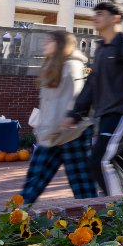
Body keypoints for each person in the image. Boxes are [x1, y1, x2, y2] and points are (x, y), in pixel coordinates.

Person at [66, 1, 123, 197]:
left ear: (115, 18)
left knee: (99, 160)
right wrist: (76, 113)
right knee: (116, 161)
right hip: (105, 114)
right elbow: (92, 83)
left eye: (100, 13)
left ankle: (116, 206)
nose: (95, 17)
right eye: (95, 13)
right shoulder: (102, 49)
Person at [19, 30, 99, 204]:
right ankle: (14, 215)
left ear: (61, 45)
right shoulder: (52, 66)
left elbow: (74, 100)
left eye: (50, 41)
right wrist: (45, 129)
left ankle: (95, 218)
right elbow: (49, 105)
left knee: (83, 186)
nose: (45, 44)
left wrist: (58, 126)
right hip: (53, 133)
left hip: (73, 133)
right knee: (34, 181)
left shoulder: (71, 66)